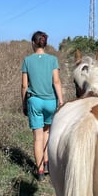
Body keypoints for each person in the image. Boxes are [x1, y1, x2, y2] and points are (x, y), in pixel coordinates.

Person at [21, 31, 64, 181]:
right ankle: (47, 164)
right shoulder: (53, 60)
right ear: (45, 43)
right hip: (50, 102)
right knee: (47, 132)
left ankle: (39, 171)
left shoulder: (27, 60)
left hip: (35, 102)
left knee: (37, 138)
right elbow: (56, 81)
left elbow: (24, 85)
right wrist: (61, 101)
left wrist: (24, 103)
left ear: (33, 43)